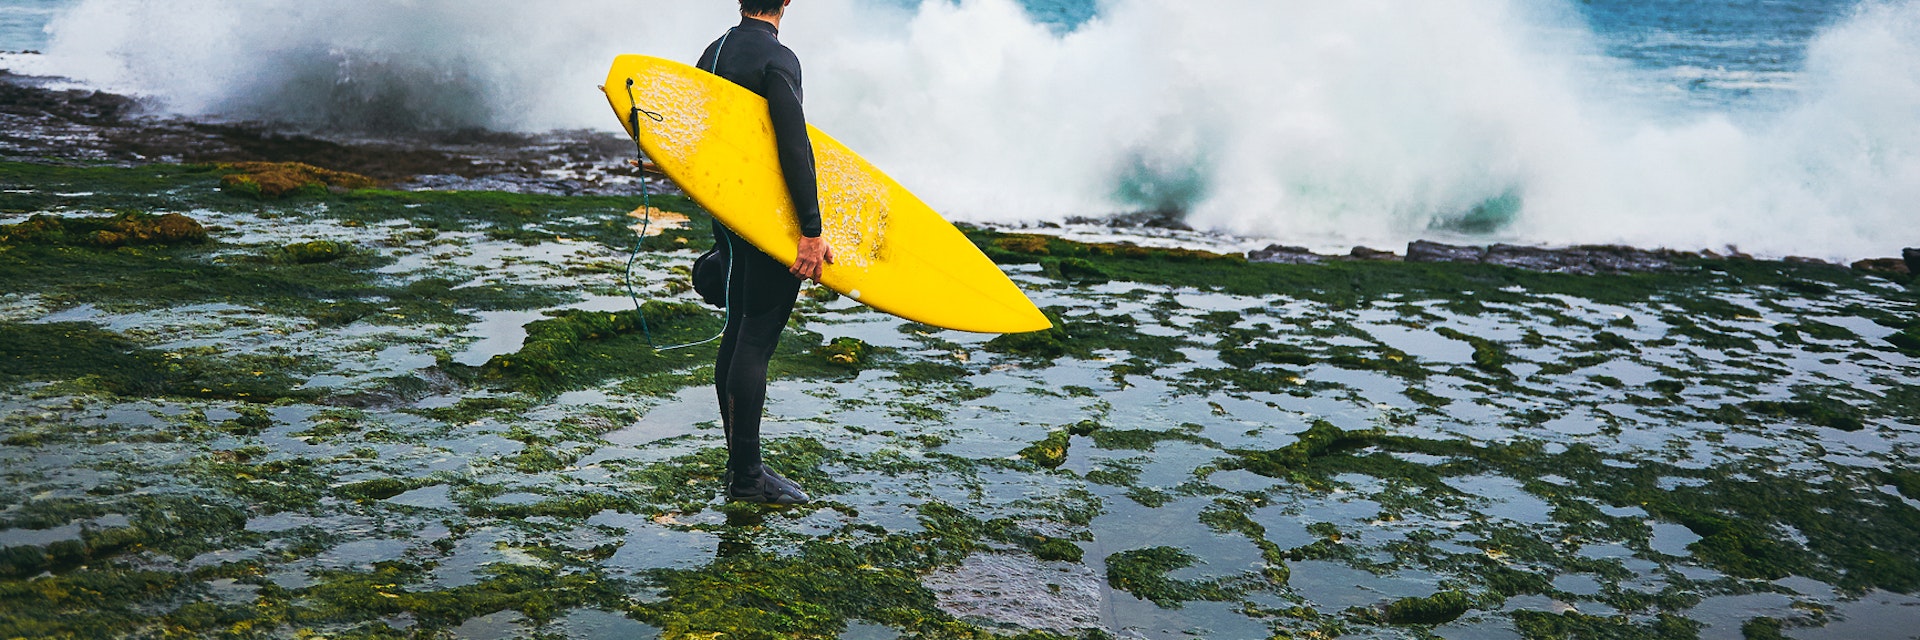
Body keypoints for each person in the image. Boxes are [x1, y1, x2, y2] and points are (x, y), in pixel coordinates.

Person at [697, 0, 833, 505]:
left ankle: (740, 466)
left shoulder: (713, 52)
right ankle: (748, 478)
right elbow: (793, 145)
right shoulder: (778, 59)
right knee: (757, 336)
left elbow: (698, 140)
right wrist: (811, 229)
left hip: (728, 212)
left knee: (737, 328)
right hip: (768, 217)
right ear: (787, 2)